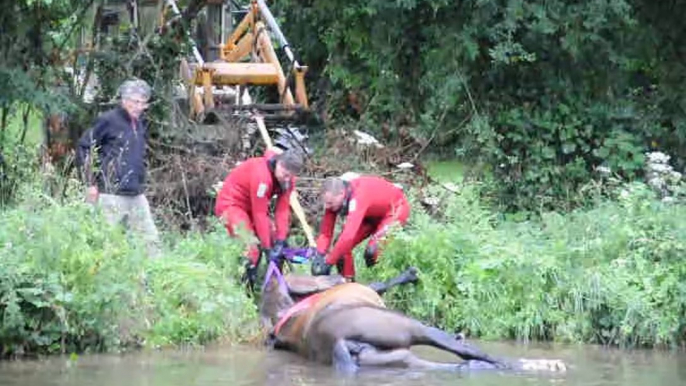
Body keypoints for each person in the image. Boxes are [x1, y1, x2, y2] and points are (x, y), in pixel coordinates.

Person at [75, 78, 161, 258]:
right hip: (111, 194)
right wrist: (90, 182)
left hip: (136, 194)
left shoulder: (139, 123)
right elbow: (84, 146)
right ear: (124, 100)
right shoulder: (108, 120)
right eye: (135, 102)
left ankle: (155, 277)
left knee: (150, 241)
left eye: (143, 103)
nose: (139, 106)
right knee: (105, 243)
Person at [214, 147, 304, 290]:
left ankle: (275, 289)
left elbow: (282, 210)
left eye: (290, 176)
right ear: (279, 164)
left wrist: (280, 239)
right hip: (232, 205)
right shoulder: (262, 177)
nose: (287, 179)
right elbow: (260, 214)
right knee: (252, 249)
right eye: (285, 174)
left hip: (251, 208)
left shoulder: (287, 180)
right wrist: (267, 248)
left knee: (276, 244)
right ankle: (243, 291)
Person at [310, 173, 411, 281]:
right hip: (371, 215)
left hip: (395, 209)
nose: (327, 207)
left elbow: (348, 236)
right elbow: (326, 232)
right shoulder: (333, 200)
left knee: (373, 251)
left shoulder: (358, 196)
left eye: (330, 203)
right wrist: (319, 255)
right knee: (339, 247)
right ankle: (348, 283)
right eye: (325, 203)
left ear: (341, 194)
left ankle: (384, 283)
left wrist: (328, 263)